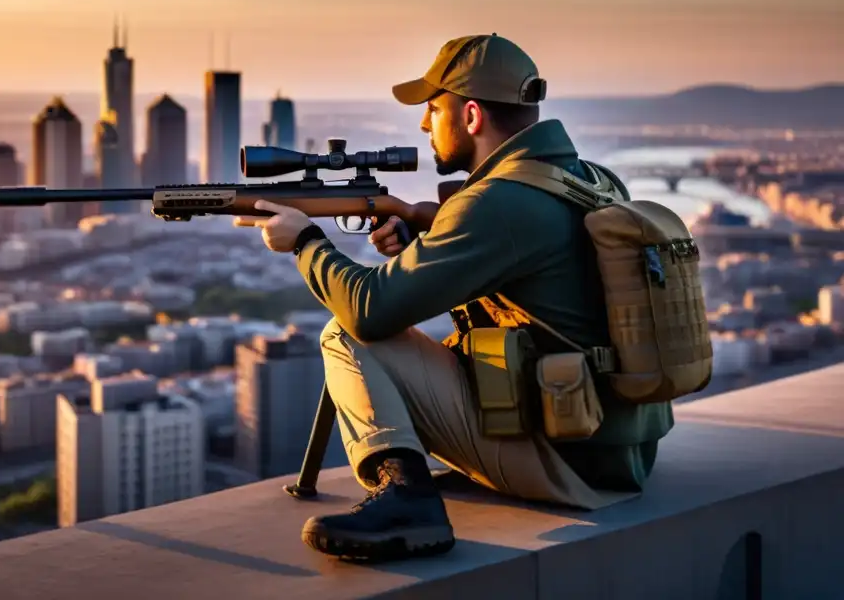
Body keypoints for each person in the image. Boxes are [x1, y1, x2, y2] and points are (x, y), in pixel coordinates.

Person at [233, 34, 674, 562]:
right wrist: (422, 232)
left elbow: (369, 311)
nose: (424, 124)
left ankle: (407, 498)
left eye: (433, 109)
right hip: (619, 451)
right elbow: (530, 264)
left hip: (566, 465)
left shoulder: (497, 205)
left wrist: (305, 242)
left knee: (346, 334)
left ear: (469, 116)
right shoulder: (590, 180)